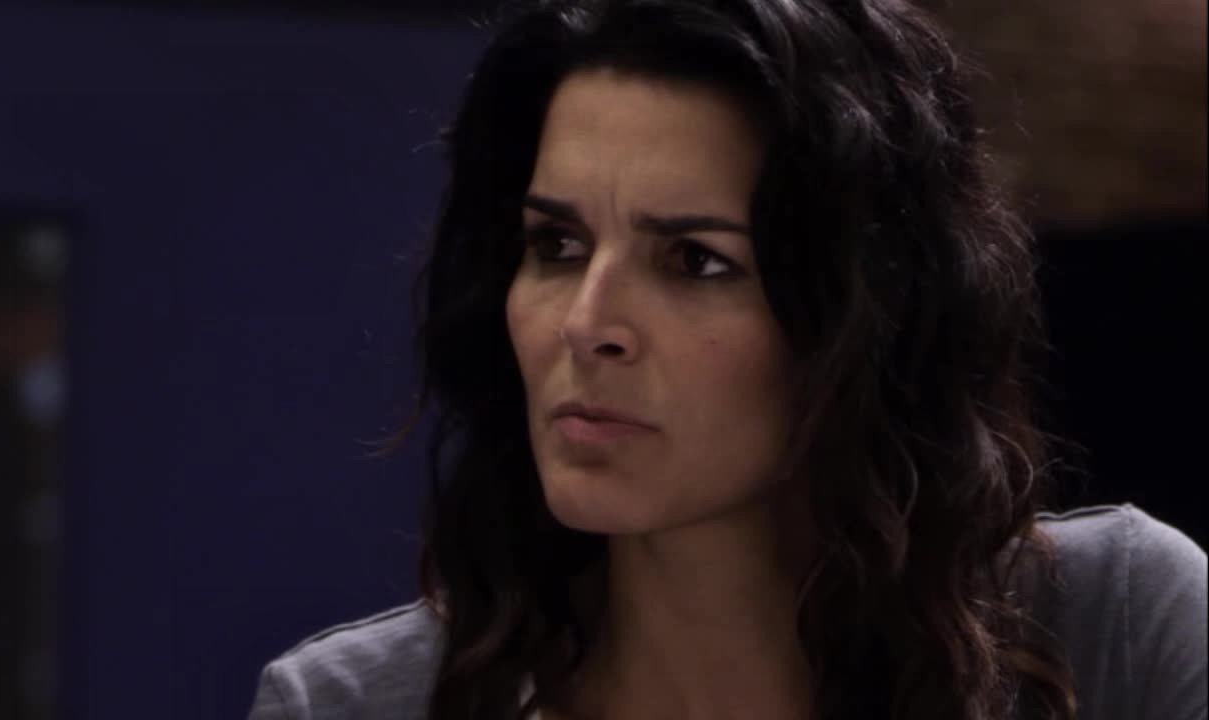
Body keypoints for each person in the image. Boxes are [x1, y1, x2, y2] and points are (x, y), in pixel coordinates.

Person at [247, 0, 1208, 718]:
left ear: (863, 313)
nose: (586, 322)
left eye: (695, 261)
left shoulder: (1116, 628)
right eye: (557, 246)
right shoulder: (351, 706)